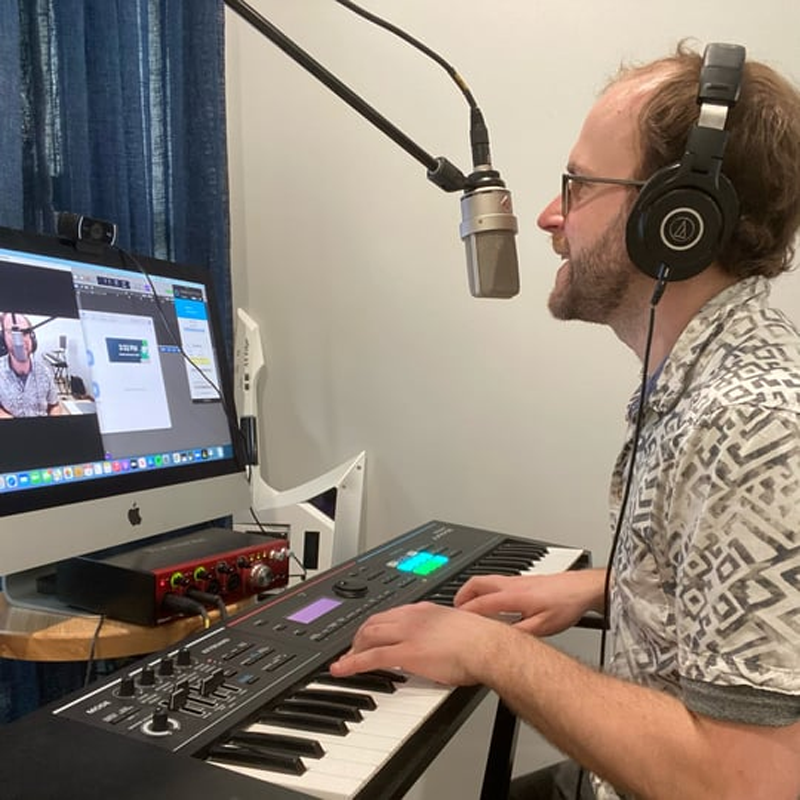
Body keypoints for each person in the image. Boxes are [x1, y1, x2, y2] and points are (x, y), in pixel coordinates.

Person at [331, 42, 800, 799]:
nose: (551, 216)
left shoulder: (753, 426)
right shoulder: (707, 380)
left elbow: (751, 784)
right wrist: (607, 587)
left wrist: (495, 654)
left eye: (578, 186)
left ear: (677, 219)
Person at [0, 312, 62, 417]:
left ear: (32, 338)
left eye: (25, 333)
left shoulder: (45, 372)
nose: (20, 340)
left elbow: (54, 405)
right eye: (13, 332)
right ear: (3, 339)